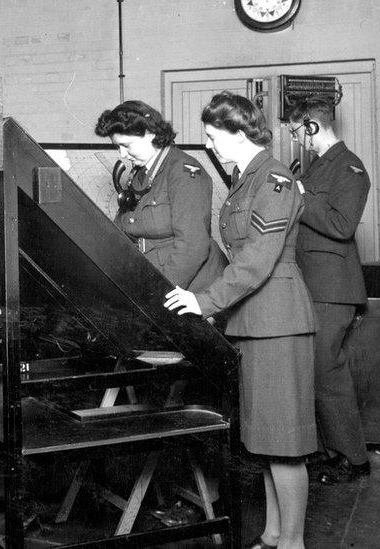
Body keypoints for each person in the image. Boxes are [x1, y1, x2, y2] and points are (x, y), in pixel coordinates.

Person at [165, 91, 316, 549]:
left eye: (213, 137)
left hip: (278, 323)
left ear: (238, 132)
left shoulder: (274, 180)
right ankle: (273, 534)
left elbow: (254, 262)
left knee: (285, 445)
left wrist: (204, 301)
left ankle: (293, 544)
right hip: (252, 320)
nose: (210, 146)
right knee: (265, 439)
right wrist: (213, 306)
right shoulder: (245, 181)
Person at [287, 97, 371, 484]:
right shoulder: (317, 167)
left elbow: (341, 225)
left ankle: (355, 459)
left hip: (332, 289)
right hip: (310, 284)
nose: (296, 140)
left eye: (296, 132)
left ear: (313, 127)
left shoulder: (350, 168)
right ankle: (328, 451)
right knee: (313, 373)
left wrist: (300, 195)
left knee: (327, 372)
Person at [95, 100, 226, 292]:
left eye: (127, 145)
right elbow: (124, 228)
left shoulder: (184, 172)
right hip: (154, 275)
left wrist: (159, 295)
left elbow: (192, 246)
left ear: (150, 134)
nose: (123, 154)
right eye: (117, 147)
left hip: (192, 287)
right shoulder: (140, 173)